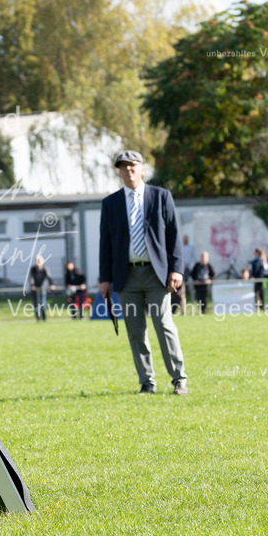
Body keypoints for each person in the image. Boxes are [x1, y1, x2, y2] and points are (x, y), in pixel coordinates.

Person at [98, 150, 188, 396]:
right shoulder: (110, 203)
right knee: (135, 331)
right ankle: (147, 382)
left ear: (142, 168)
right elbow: (105, 242)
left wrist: (176, 269)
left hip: (157, 274)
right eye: (123, 166)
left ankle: (179, 379)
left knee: (164, 325)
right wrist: (104, 278)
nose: (128, 170)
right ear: (119, 171)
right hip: (126, 277)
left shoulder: (161, 196)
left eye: (133, 165)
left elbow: (174, 235)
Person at [28, 255, 54, 321]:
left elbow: (49, 277)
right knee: (36, 305)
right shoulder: (33, 269)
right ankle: (38, 318)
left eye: (40, 260)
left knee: (42, 304)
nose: (39, 262)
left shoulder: (45, 269)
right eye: (38, 260)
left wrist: (51, 284)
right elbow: (31, 278)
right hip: (34, 290)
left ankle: (44, 317)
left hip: (42, 290)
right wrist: (32, 285)